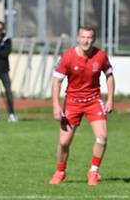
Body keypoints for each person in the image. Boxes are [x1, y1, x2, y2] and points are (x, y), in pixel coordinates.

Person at [49, 26, 115, 187]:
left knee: (102, 137)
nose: (87, 41)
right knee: (64, 142)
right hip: (72, 102)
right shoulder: (68, 57)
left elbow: (109, 75)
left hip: (93, 101)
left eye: (90, 37)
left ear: (94, 39)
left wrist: (110, 99)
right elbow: (57, 81)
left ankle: (93, 171)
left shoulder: (100, 56)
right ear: (78, 38)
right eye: (84, 37)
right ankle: (60, 171)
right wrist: (56, 105)